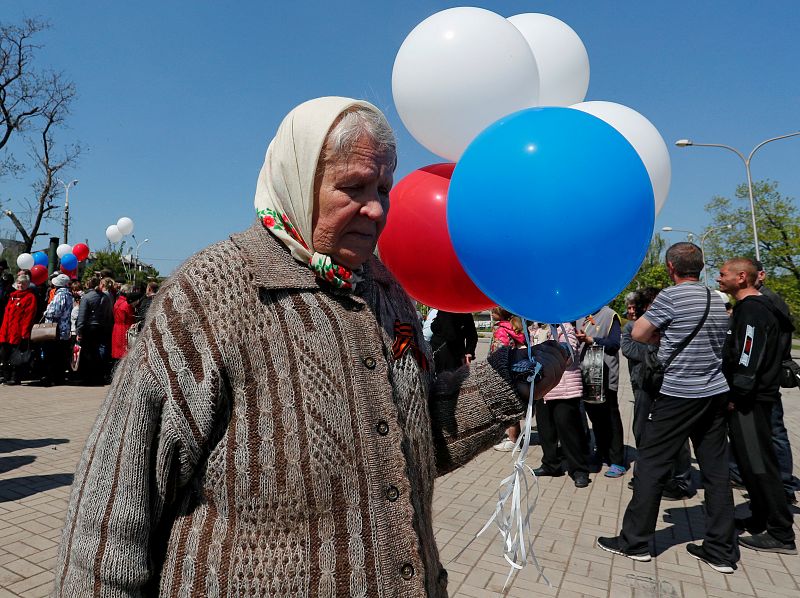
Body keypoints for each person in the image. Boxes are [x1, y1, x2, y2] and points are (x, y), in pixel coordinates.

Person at [53, 97, 569, 597]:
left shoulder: (387, 291)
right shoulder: (213, 293)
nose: (376, 208)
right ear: (298, 180)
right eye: (353, 187)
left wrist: (511, 379)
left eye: (384, 188)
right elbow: (115, 508)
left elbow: (408, 441)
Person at [598, 242, 737, 574]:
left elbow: (641, 333)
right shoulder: (716, 300)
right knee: (716, 472)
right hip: (714, 392)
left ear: (671, 268)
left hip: (677, 395)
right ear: (701, 268)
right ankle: (720, 550)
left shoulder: (671, 297)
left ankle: (635, 543)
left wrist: (666, 336)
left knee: (651, 466)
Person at [718, 258, 796, 555]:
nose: (718, 277)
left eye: (723, 274)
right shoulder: (755, 307)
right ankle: (760, 516)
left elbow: (748, 356)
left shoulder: (752, 310)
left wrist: (737, 394)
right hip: (752, 397)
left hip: (750, 401)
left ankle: (781, 532)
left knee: (760, 463)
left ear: (741, 277)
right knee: (750, 463)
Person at [622, 287, 692, 499]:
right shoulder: (633, 327)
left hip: (671, 386)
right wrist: (657, 348)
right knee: (642, 432)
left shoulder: (674, 326)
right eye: (651, 304)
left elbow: (677, 352)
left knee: (676, 435)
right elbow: (630, 350)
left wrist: (652, 347)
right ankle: (644, 475)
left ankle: (680, 480)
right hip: (644, 385)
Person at [534, 322, 590, 487]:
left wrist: (545, 352)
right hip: (542, 388)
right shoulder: (537, 327)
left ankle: (579, 469)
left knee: (569, 432)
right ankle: (551, 464)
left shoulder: (565, 326)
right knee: (546, 430)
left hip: (563, 389)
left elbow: (569, 354)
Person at [577, 305, 626, 478]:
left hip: (605, 376)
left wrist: (591, 340)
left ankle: (618, 461)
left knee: (611, 418)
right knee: (596, 418)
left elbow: (614, 344)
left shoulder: (609, 315)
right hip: (585, 375)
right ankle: (601, 452)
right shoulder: (579, 313)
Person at [490, 307, 526, 452]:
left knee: (508, 404)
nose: (491, 314)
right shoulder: (512, 327)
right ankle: (514, 437)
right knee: (512, 402)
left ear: (501, 314)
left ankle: (513, 440)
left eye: (493, 312)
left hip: (503, 371)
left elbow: (499, 351)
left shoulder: (501, 329)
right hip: (513, 369)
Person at [0, 272, 37, 385]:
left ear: (27, 284)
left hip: (18, 332)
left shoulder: (30, 297)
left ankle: (15, 377)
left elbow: (28, 317)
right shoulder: (12, 296)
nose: (20, 285)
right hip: (6, 331)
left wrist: (24, 333)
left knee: (16, 356)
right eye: (19, 283)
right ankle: (6, 376)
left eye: (23, 283)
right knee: (4, 354)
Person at [75, 276, 113, 386]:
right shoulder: (105, 297)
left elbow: (82, 316)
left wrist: (79, 331)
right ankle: (99, 376)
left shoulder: (86, 298)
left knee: (88, 353)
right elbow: (108, 314)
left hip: (90, 328)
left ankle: (88, 377)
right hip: (102, 327)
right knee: (99, 352)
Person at [40, 274, 75, 386]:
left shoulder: (61, 295)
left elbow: (56, 311)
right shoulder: (69, 295)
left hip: (57, 329)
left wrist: (46, 312)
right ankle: (58, 377)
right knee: (60, 354)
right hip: (64, 328)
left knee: (52, 354)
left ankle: (52, 377)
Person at [111, 284, 136, 365]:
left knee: (117, 352)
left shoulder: (117, 302)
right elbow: (131, 318)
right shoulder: (127, 304)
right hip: (124, 327)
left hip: (116, 328)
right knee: (124, 353)